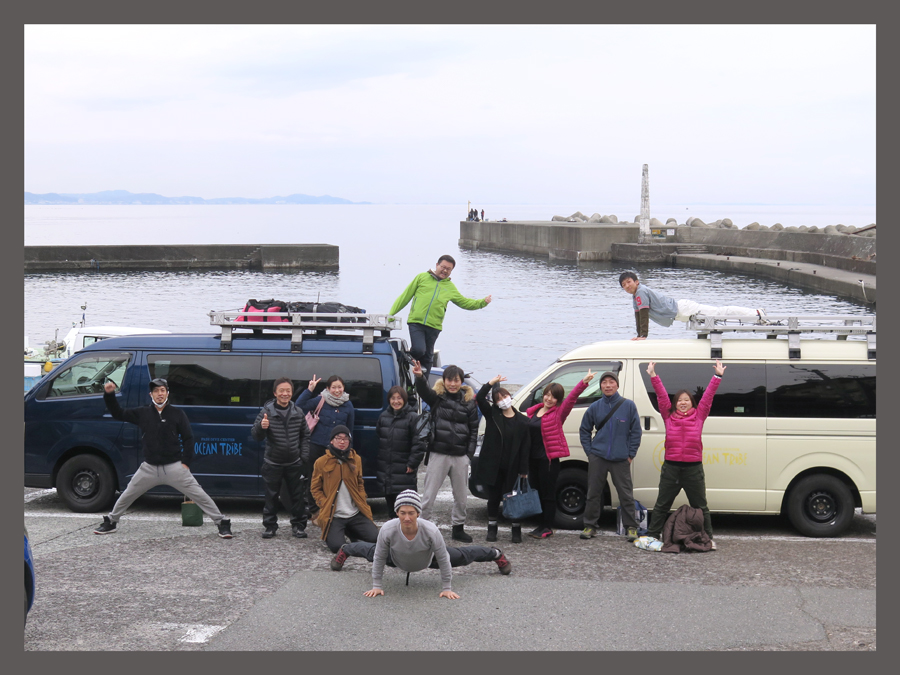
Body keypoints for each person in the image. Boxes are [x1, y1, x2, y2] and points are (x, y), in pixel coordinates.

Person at [93, 378, 232, 538]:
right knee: (128, 494)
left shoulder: (177, 414)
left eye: (163, 390)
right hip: (149, 468)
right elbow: (118, 413)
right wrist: (109, 394)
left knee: (200, 495)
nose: (160, 394)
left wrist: (186, 462)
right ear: (150, 394)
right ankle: (111, 521)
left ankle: (222, 523)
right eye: (156, 391)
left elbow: (188, 438)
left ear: (167, 393)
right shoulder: (142, 412)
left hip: (175, 468)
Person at [331, 490, 511, 599]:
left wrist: (447, 588)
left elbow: (442, 557)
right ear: (397, 512)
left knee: (462, 556)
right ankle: (345, 550)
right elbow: (378, 557)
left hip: (428, 557)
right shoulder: (388, 528)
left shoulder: (430, 530)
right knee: (370, 550)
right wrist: (377, 585)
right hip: (396, 557)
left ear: (418, 513)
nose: (407, 517)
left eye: (411, 513)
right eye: (402, 513)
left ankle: (495, 554)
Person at [642, 360, 725, 550]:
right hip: (670, 467)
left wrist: (717, 376)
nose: (683, 403)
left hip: (693, 468)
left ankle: (709, 538)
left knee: (701, 506)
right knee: (662, 504)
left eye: (686, 400)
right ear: (675, 403)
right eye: (680, 400)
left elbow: (708, 396)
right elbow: (662, 397)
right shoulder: (668, 415)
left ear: (692, 403)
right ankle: (653, 536)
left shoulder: (700, 415)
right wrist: (653, 376)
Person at [389, 254, 492, 377]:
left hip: (434, 327)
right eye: (443, 267)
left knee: (427, 358)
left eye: (448, 269)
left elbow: (465, 303)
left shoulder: (450, 287)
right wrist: (391, 315)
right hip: (416, 323)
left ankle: (422, 386)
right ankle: (404, 359)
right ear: (437, 265)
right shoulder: (422, 277)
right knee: (419, 350)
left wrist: (482, 302)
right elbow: (405, 297)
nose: (445, 270)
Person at [413, 360, 479, 542]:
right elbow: (423, 391)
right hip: (438, 452)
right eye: (449, 380)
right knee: (428, 495)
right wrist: (419, 376)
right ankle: (421, 527)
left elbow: (474, 430)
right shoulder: (438, 398)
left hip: (460, 456)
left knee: (461, 496)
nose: (452, 384)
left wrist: (468, 455)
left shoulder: (469, 403)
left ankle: (458, 528)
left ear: (461, 382)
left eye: (456, 380)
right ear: (444, 381)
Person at [524, 370, 594, 539]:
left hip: (548, 460)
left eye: (553, 397)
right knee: (537, 492)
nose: (549, 399)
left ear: (558, 400)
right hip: (533, 460)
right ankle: (541, 524)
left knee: (548, 494)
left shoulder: (558, 414)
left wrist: (583, 382)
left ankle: (547, 526)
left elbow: (572, 399)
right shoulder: (533, 412)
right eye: (547, 395)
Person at [578, 371, 642, 541]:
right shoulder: (595, 407)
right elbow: (584, 429)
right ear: (600, 386)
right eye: (604, 382)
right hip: (598, 456)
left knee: (625, 494)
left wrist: (630, 454)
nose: (607, 385)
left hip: (621, 458)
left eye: (611, 382)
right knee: (593, 493)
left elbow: (636, 432)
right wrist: (590, 452)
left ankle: (631, 527)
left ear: (617, 385)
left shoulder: (628, 406)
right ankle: (590, 526)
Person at [618, 271, 767, 340]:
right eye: (624, 285)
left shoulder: (641, 292)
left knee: (721, 312)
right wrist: (639, 335)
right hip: (682, 313)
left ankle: (756, 313)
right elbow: (638, 316)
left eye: (629, 282)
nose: (627, 286)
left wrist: (643, 336)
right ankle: (755, 315)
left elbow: (643, 315)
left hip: (684, 309)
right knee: (719, 314)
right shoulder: (635, 296)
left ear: (636, 282)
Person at [251, 377, 311, 539]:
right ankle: (270, 526)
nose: (285, 394)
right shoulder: (266, 412)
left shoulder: (297, 412)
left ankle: (298, 526)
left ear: (292, 393)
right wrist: (261, 427)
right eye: (282, 391)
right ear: (275, 393)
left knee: (297, 497)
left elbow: (305, 436)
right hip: (273, 462)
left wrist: (303, 458)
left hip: (294, 462)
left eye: (288, 391)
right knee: (271, 496)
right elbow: (255, 436)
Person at [474, 374, 530, 543]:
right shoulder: (493, 415)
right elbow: (479, 397)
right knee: (493, 497)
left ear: (510, 397)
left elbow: (525, 447)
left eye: (504, 396)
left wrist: (524, 469)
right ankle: (492, 528)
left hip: (513, 466)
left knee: (514, 498)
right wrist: (491, 383)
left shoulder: (523, 421)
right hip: (494, 465)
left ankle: (516, 529)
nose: (503, 400)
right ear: (496, 403)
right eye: (498, 399)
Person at [310, 425, 379, 553]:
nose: (342, 442)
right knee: (337, 546)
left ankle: (351, 530)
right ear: (331, 440)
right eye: (338, 438)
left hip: (354, 513)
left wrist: (362, 497)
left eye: (346, 439)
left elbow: (360, 482)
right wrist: (323, 503)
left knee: (376, 538)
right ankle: (338, 532)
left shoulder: (356, 459)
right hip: (334, 515)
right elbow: (315, 488)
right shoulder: (321, 462)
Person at [296, 374, 355, 516]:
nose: (337, 390)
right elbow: (299, 406)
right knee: (314, 478)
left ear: (343, 388)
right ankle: (314, 509)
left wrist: (349, 449)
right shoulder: (321, 400)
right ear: (328, 388)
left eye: (339, 387)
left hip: (336, 450)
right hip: (316, 445)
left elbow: (350, 429)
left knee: (333, 479)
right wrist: (309, 390)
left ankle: (330, 508)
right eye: (333, 387)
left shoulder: (348, 405)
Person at [375, 385, 426, 517]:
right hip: (387, 469)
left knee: (406, 508)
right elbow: (379, 436)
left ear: (404, 399)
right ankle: (393, 534)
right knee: (391, 508)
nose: (396, 401)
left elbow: (420, 443)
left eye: (399, 398)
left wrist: (412, 463)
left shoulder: (414, 417)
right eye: (393, 398)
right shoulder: (383, 417)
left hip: (404, 469)